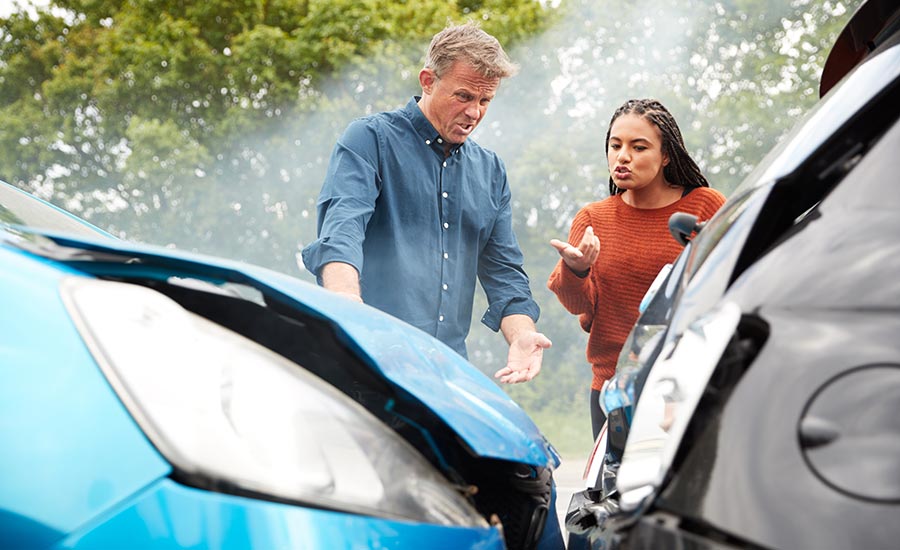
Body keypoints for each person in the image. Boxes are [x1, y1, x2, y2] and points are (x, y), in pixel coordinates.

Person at [301, 23, 563, 549]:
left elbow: (505, 270)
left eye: (485, 100)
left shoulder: (490, 172)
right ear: (429, 80)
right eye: (464, 95)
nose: (474, 111)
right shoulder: (369, 139)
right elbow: (341, 231)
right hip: (370, 370)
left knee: (530, 479)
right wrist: (347, 301)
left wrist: (520, 333)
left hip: (446, 370)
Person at [547, 98, 726, 439]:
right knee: (615, 492)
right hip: (614, 389)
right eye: (615, 146)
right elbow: (578, 307)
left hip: (686, 385)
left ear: (666, 155)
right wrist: (577, 270)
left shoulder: (706, 205)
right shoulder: (593, 219)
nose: (622, 156)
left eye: (638, 147)